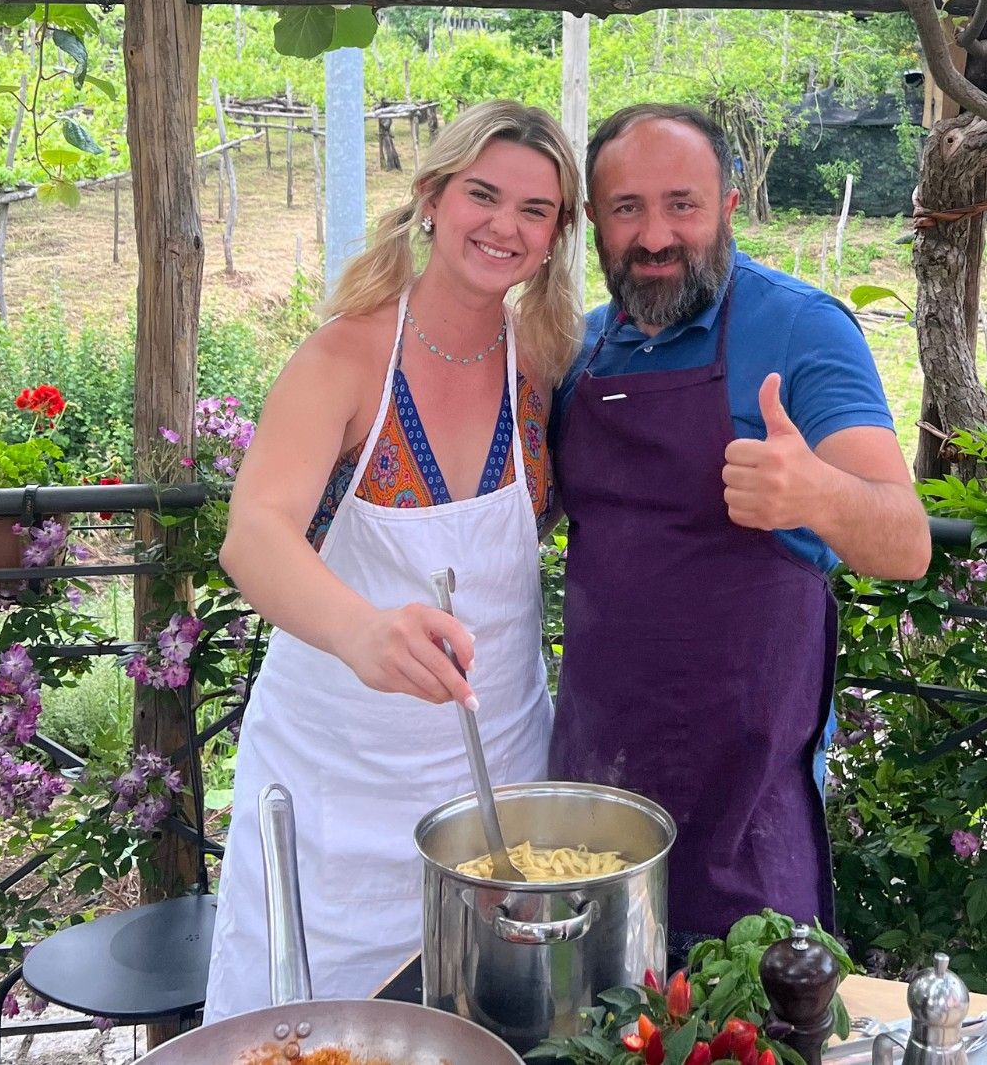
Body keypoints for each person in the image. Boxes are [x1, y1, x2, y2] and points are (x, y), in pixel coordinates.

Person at [205, 101, 583, 1022]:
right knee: (316, 1027)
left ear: (555, 237)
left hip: (497, 772)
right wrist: (363, 631)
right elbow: (254, 532)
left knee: (488, 1021)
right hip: (337, 783)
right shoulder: (344, 356)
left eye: (534, 210)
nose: (504, 225)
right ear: (431, 198)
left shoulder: (544, 364)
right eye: (483, 195)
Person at [548, 104, 931, 949]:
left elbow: (906, 542)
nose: (655, 236)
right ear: (594, 222)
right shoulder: (577, 350)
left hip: (746, 809)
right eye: (628, 208)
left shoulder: (800, 327)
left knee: (747, 1012)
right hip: (593, 797)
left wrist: (816, 493)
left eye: (681, 204)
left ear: (728, 205)